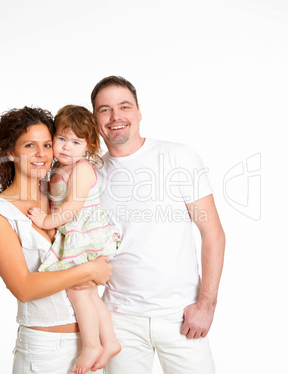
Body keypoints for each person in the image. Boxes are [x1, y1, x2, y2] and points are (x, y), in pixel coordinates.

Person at [90, 76, 226, 374]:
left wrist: (206, 304)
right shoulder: (91, 175)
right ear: (95, 119)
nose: (116, 117)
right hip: (120, 319)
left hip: (181, 316)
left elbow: (212, 233)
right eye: (105, 110)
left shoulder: (177, 156)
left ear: (139, 111)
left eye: (124, 106)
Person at [0, 106, 112, 374]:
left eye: (47, 144)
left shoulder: (59, 195)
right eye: (29, 145)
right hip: (44, 349)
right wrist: (90, 270)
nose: (41, 154)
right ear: (10, 152)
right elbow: (24, 288)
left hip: (89, 345)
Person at [27, 105, 121, 374]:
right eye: (61, 139)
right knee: (89, 293)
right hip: (76, 232)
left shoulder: (81, 169)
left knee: (77, 290)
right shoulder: (58, 166)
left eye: (76, 142)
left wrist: (46, 222)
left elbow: (71, 207)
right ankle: (110, 341)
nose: (67, 147)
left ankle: (92, 344)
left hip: (87, 234)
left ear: (88, 146)